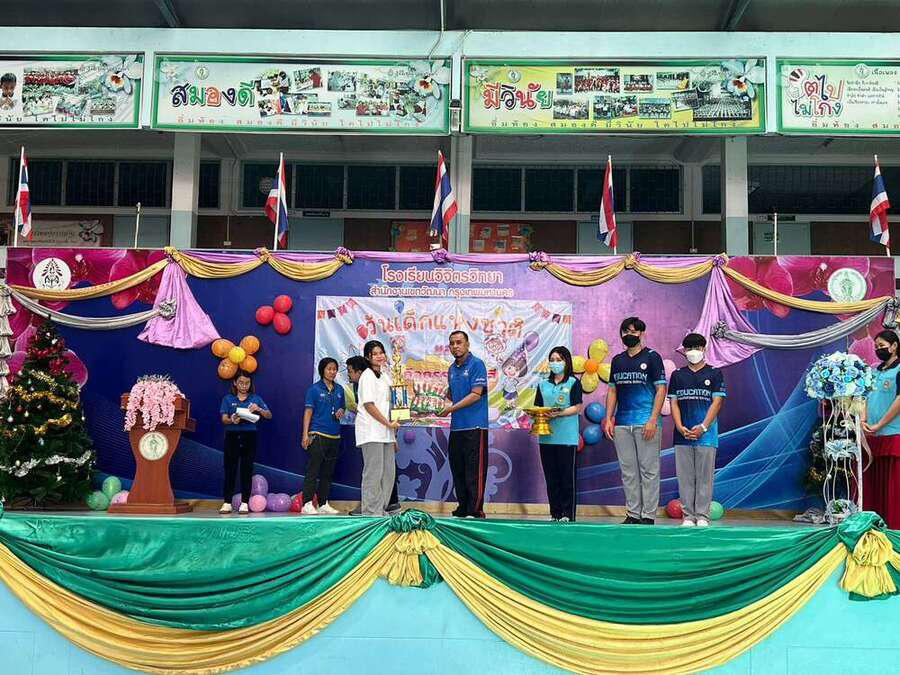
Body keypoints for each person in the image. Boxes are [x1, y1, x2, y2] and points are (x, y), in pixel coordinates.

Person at [603, 317, 666, 525]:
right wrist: (608, 418)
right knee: (628, 471)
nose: (629, 335)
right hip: (622, 423)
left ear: (641, 333)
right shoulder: (617, 360)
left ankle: (648, 515)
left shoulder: (652, 357)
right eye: (625, 331)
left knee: (649, 471)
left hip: (646, 422)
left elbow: (661, 389)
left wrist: (653, 419)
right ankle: (633, 513)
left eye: (633, 331)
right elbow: (612, 391)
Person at [668, 333, 726, 527]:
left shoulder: (715, 373)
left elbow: (717, 402)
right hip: (682, 435)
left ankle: (702, 516)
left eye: (697, 347)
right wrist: (679, 426)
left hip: (706, 436)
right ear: (684, 351)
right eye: (689, 348)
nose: (693, 351)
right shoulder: (678, 375)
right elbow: (674, 402)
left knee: (704, 478)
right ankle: (688, 516)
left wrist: (703, 427)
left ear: (704, 349)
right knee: (685, 478)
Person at [439, 331, 489, 518]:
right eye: (452, 343)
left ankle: (475, 510)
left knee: (474, 471)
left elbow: (476, 394)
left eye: (459, 342)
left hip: (475, 427)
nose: (455, 346)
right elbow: (452, 394)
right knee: (458, 469)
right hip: (456, 427)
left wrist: (450, 409)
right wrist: (435, 400)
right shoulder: (452, 369)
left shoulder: (477, 364)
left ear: (467, 344)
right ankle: (463, 507)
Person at [346, 355, 402, 516]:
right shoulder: (366, 376)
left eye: (381, 352)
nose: (379, 356)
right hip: (371, 432)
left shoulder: (385, 377)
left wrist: (393, 432)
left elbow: (393, 404)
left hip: (386, 433)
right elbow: (368, 405)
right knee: (373, 473)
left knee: (388, 473)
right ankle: (371, 511)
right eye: (375, 353)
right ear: (368, 357)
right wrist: (388, 424)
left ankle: (380, 508)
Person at [533, 346, 583, 522]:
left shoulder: (573, 383)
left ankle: (568, 514)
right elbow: (538, 407)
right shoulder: (543, 385)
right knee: (551, 479)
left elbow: (577, 407)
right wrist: (537, 415)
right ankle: (555, 513)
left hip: (567, 438)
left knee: (567, 478)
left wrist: (558, 413)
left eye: (559, 360)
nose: (555, 363)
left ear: (566, 362)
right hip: (546, 438)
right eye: (552, 360)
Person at [219, 372, 272, 514]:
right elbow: (224, 419)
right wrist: (231, 420)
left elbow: (269, 415)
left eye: (247, 383)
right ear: (235, 383)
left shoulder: (255, 398)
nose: (244, 386)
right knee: (230, 469)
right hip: (232, 436)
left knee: (247, 470)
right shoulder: (228, 399)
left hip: (249, 436)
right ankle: (227, 502)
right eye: (241, 383)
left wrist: (258, 409)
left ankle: (244, 503)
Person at [863, 330, 900, 529]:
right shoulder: (874, 371)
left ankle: (894, 531)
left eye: (882, 345)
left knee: (892, 489)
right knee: (874, 487)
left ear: (894, 346)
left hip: (893, 436)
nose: (878, 349)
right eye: (876, 346)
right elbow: (864, 397)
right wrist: (863, 420)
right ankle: (873, 528)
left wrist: (879, 425)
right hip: (872, 437)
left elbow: (899, 401)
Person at [301, 357, 346, 515]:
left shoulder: (340, 389)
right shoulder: (314, 389)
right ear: (322, 370)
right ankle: (307, 503)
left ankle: (323, 503)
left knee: (328, 472)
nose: (332, 372)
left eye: (334, 369)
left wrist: (341, 411)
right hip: (318, 434)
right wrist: (305, 435)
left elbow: (343, 408)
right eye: (329, 369)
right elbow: (308, 412)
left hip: (335, 436)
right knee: (313, 470)